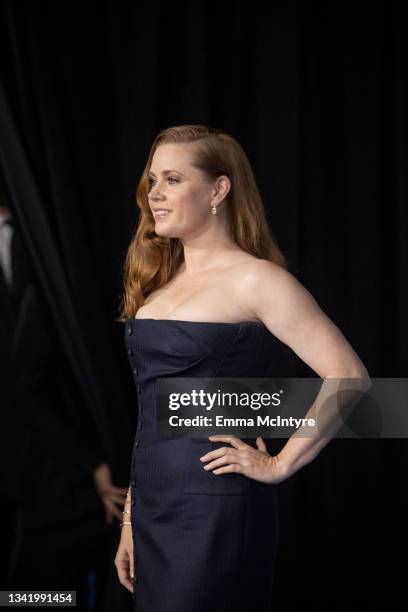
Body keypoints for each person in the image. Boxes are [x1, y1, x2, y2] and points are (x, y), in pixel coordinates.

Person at [114, 124, 370, 612]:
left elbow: (350, 376)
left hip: (214, 511)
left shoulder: (257, 280)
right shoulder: (159, 283)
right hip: (154, 510)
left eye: (172, 179)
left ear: (218, 189)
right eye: (152, 181)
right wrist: (130, 518)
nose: (154, 195)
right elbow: (152, 415)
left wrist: (279, 464)